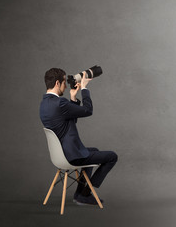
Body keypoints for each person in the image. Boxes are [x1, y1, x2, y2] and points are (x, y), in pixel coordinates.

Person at [40, 68, 118, 205]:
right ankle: (87, 192)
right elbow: (88, 110)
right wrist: (84, 89)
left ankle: (80, 195)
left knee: (93, 149)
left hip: (60, 154)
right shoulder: (60, 103)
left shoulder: (45, 104)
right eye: (64, 82)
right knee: (112, 156)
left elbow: (70, 120)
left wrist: (73, 98)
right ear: (57, 83)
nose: (65, 86)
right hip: (71, 156)